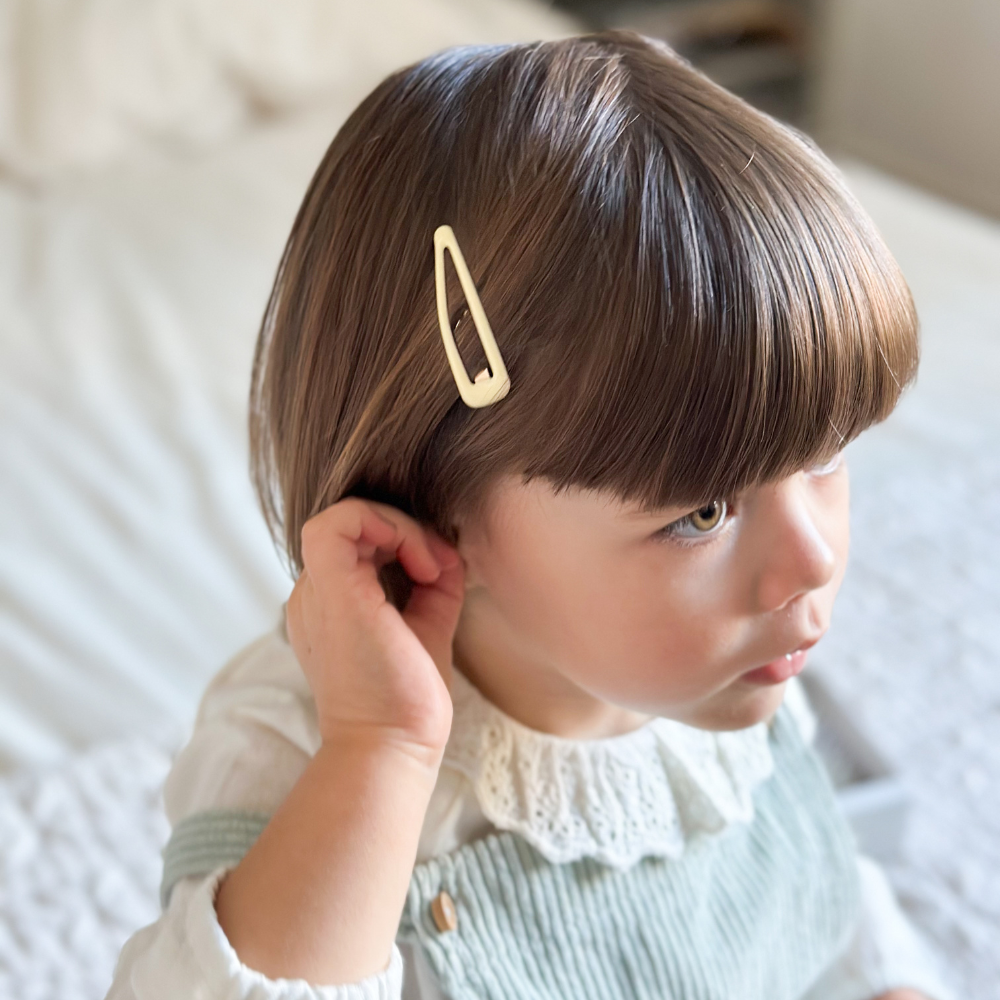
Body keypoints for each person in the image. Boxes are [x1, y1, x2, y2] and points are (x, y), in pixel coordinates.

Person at [107, 30, 957, 1000]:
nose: (809, 561)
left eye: (827, 460)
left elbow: (828, 915)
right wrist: (381, 751)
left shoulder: (738, 671)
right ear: (444, 504)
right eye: (705, 511)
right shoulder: (301, 753)